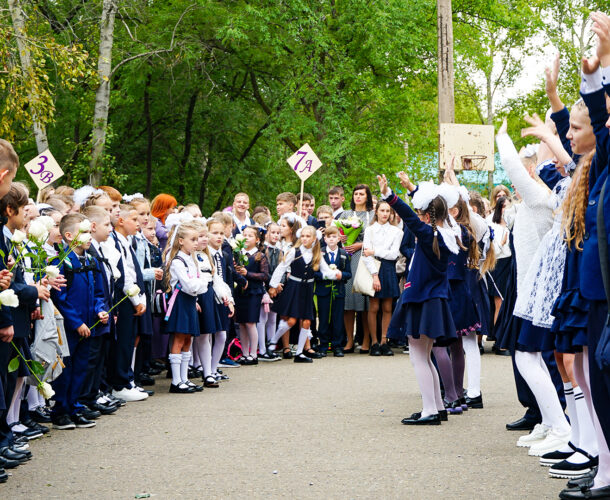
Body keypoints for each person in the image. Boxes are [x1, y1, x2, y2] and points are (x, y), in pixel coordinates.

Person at [379, 175, 458, 426]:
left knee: (418, 357)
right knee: (424, 356)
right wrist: (412, 190)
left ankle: (430, 410)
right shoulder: (448, 233)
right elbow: (429, 211)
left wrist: (391, 195)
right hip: (433, 299)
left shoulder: (428, 235)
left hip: (423, 298)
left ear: (425, 215)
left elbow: (410, 218)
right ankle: (436, 406)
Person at [50, 213, 109, 429]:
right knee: (66, 369)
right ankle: (60, 410)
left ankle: (74, 406)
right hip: (70, 326)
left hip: (89, 323)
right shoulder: (60, 262)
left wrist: (100, 311)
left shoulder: (92, 261)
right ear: (68, 235)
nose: (89, 236)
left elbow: (99, 293)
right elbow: (60, 298)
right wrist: (76, 323)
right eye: (83, 232)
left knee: (82, 368)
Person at [268, 226, 334, 363]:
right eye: (302, 236)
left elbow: (326, 270)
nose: (304, 238)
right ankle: (273, 341)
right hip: (294, 287)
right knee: (291, 320)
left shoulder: (317, 255)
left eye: (308, 236)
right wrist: (273, 285)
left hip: (308, 288)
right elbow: (282, 267)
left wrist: (336, 274)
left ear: (314, 239)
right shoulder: (294, 251)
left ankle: (299, 354)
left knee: (307, 321)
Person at [108, 204, 148, 402]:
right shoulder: (115, 241)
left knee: (129, 339)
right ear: (121, 221)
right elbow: (124, 275)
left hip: (132, 298)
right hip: (124, 299)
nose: (138, 222)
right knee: (123, 341)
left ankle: (127, 380)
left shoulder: (126, 241)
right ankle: (120, 383)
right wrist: (135, 299)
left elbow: (133, 271)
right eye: (133, 218)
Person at [164, 221, 209, 393]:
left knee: (188, 339)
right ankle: (176, 381)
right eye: (193, 239)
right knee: (179, 339)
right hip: (180, 302)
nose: (196, 242)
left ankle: (184, 378)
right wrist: (201, 282)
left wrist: (198, 285)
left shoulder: (191, 259)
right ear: (181, 241)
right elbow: (189, 285)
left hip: (189, 301)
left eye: (197, 239)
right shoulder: (178, 261)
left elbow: (195, 284)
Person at [193, 221, 231, 388]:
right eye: (199, 237)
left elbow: (216, 279)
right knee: (200, 336)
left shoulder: (208, 256)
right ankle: (199, 370)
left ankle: (209, 372)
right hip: (196, 295)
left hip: (209, 295)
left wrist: (227, 298)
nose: (203, 239)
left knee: (209, 334)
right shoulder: (190, 256)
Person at [362, 200, 402, 356]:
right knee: (374, 307)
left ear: (391, 213)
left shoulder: (397, 232)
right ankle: (374, 342)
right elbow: (366, 254)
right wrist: (374, 275)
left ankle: (385, 341)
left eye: (387, 211)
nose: (385, 214)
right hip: (373, 268)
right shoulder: (370, 230)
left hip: (388, 268)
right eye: (382, 210)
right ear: (376, 212)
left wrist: (375, 250)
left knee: (387, 307)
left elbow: (393, 254)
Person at [338, 185, 375, 353]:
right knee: (348, 302)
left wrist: (360, 244)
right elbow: (337, 235)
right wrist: (342, 237)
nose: (358, 197)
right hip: (348, 258)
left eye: (362, 194)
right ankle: (349, 339)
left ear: (367, 197)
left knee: (364, 301)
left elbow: (375, 238)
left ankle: (366, 340)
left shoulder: (373, 216)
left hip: (365, 258)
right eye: (355, 194)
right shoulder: (345, 215)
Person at [206, 218, 238, 377]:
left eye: (221, 233)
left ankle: (213, 368)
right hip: (209, 297)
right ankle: (205, 368)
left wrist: (229, 298)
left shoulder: (224, 254)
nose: (219, 237)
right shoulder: (205, 254)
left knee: (222, 334)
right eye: (214, 233)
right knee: (208, 335)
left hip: (223, 297)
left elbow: (226, 277)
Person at [234, 226, 270, 364]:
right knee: (241, 323)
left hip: (254, 292)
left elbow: (265, 275)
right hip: (240, 292)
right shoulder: (238, 254)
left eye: (250, 235)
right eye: (245, 235)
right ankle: (244, 353)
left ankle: (254, 354)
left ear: (257, 239)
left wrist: (247, 274)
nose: (246, 238)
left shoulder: (259, 256)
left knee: (250, 322)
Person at [314, 226, 351, 357]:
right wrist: (325, 276)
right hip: (323, 291)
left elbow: (349, 273)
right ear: (324, 239)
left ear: (339, 239)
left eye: (334, 237)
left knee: (337, 318)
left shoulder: (343, 254)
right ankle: (323, 345)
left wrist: (341, 274)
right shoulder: (320, 253)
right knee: (323, 318)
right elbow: (315, 272)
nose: (331, 239)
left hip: (338, 291)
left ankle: (337, 345)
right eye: (329, 237)